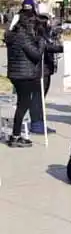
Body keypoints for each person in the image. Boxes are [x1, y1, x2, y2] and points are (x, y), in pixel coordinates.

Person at [4, 12, 47, 147]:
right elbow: (36, 54)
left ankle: (16, 134)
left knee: (22, 104)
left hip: (16, 74)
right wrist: (41, 42)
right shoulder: (23, 37)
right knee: (23, 105)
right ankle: (16, 135)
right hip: (24, 75)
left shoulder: (13, 36)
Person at [29, 4, 63, 135]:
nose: (50, 22)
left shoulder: (46, 33)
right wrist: (62, 48)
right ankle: (37, 124)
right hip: (39, 70)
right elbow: (46, 48)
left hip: (46, 69)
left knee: (41, 97)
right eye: (48, 19)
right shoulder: (37, 34)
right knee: (38, 98)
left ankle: (40, 122)